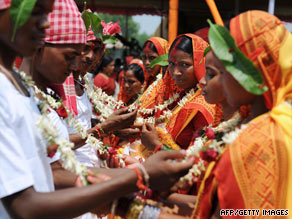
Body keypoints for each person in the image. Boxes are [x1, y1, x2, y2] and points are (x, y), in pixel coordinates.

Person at [0, 0, 195, 218]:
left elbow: (54, 173)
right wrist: (139, 175)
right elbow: (26, 206)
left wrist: (129, 195)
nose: (45, 24)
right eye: (36, 13)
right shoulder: (4, 92)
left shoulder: (20, 87)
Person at [193, 10, 292, 218]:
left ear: (251, 71)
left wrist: (136, 209)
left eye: (223, 71)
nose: (219, 82)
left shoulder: (258, 142)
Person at [136, 34, 220, 159]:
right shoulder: (179, 94)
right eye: (171, 64)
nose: (175, 72)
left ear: (200, 64)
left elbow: (198, 161)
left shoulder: (204, 105)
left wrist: (155, 145)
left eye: (185, 65)